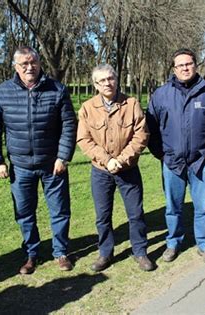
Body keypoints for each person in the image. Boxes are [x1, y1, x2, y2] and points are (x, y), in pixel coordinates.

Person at [0, 47, 77, 275]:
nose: (29, 67)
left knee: (60, 211)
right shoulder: (3, 92)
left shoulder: (57, 89)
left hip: (52, 165)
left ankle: (61, 252)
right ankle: (31, 254)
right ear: (15, 66)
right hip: (20, 167)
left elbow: (69, 126)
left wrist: (63, 156)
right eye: (24, 64)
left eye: (33, 62)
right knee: (24, 213)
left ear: (39, 63)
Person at [146, 48, 205, 265]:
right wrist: (162, 155)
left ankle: (204, 245)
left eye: (189, 63)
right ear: (174, 68)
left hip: (201, 162)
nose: (185, 68)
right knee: (173, 207)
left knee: (203, 206)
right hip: (172, 163)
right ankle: (173, 242)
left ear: (195, 65)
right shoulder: (161, 94)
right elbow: (150, 129)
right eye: (180, 65)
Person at [77, 64, 155, 272]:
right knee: (102, 215)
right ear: (95, 85)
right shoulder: (87, 108)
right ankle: (105, 253)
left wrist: (121, 159)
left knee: (135, 213)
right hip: (100, 171)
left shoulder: (131, 104)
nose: (107, 83)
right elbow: (84, 139)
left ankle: (140, 252)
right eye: (101, 81)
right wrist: (107, 160)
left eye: (110, 78)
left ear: (116, 79)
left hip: (128, 169)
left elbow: (142, 135)